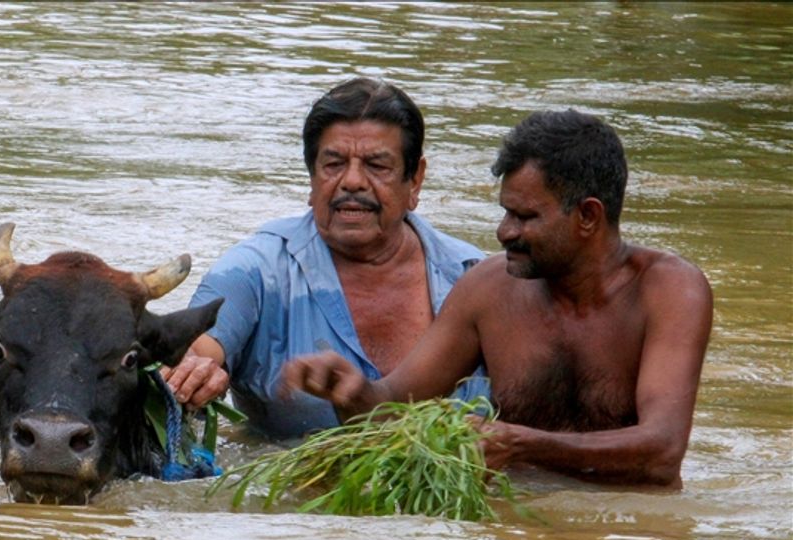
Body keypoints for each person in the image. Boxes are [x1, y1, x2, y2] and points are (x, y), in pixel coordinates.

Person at [282, 109, 713, 488]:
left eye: (525, 217)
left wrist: (524, 445)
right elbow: (392, 410)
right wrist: (353, 391)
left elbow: (662, 450)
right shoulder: (487, 288)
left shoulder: (669, 291)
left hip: (628, 532)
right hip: (511, 524)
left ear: (588, 216)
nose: (504, 232)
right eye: (506, 212)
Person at [162, 77, 486, 439]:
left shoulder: (476, 279)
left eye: (377, 166)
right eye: (333, 164)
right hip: (290, 471)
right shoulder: (255, 272)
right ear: (312, 180)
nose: (352, 181)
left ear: (415, 180)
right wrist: (192, 373)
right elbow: (194, 351)